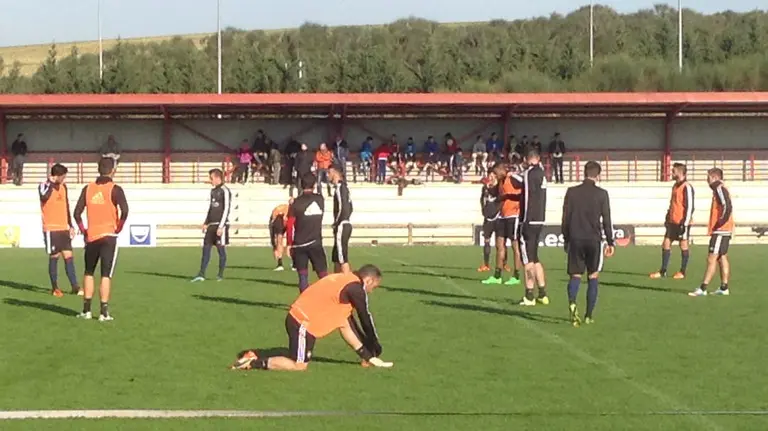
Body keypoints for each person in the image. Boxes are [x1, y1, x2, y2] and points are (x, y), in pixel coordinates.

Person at [231, 265, 392, 371]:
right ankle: (251, 363)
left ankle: (253, 353)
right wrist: (375, 343)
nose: (371, 291)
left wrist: (368, 355)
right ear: (368, 280)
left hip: (302, 318)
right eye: (373, 287)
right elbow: (365, 317)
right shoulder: (356, 289)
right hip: (302, 322)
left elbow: (348, 325)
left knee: (343, 322)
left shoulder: (346, 279)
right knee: (299, 365)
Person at [73, 157, 129, 322]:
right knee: (106, 274)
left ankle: (86, 310)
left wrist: (84, 231)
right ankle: (104, 312)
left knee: (88, 272)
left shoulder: (88, 188)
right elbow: (125, 211)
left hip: (92, 236)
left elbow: (77, 213)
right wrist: (118, 227)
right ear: (113, 170)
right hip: (109, 236)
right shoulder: (115, 189)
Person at [562, 161, 615, 327]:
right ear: (598, 176)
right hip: (594, 240)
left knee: (575, 275)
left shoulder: (571, 192)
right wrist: (610, 241)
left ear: (583, 173)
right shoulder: (602, 194)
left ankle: (572, 302)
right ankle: (588, 315)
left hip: (576, 238)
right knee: (593, 276)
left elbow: (565, 218)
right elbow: (606, 219)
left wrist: (566, 238)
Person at [689, 168, 733, 297]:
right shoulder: (719, 189)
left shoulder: (719, 188)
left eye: (708, 177)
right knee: (721, 257)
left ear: (714, 177)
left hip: (721, 230)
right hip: (724, 229)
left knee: (711, 258)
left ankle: (703, 288)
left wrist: (720, 222)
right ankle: (724, 287)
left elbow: (727, 206)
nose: (706, 180)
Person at [39, 163, 80, 297]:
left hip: (63, 228)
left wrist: (71, 225)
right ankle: (55, 288)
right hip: (51, 229)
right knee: (54, 257)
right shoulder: (43, 185)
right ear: (56, 175)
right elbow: (44, 197)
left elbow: (66, 206)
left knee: (69, 257)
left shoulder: (64, 187)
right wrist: (51, 184)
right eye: (63, 176)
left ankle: (75, 286)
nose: (64, 179)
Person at [650, 163, 694, 280]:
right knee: (666, 243)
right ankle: (663, 271)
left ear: (680, 172)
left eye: (673, 171)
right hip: (672, 221)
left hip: (682, 222)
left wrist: (684, 223)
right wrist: (668, 216)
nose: (672, 173)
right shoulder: (675, 186)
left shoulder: (687, 187)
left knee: (683, 244)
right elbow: (673, 203)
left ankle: (682, 272)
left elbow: (690, 207)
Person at [482, 162, 522, 285]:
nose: (494, 175)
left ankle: (516, 275)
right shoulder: (500, 183)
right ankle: (497, 275)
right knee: (499, 245)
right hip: (502, 216)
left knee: (515, 246)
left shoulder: (513, 178)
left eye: (495, 173)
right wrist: (488, 187)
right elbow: (496, 195)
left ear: (501, 171)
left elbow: (525, 184)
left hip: (513, 216)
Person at [518, 149, 548, 306]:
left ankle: (529, 295)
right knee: (535, 257)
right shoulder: (542, 173)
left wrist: (524, 219)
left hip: (529, 220)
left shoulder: (530, 173)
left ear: (527, 159)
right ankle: (542, 294)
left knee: (527, 260)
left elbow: (527, 194)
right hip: (540, 219)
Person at [290, 172, 328, 292]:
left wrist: (289, 244)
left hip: (299, 244)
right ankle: (327, 300)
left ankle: (304, 304)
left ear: (301, 185)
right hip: (315, 242)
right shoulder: (320, 200)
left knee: (303, 276)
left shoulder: (296, 202)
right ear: (315, 184)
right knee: (323, 275)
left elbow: (290, 224)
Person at [191, 169, 232, 282]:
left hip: (221, 226)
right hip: (211, 225)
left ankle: (220, 275)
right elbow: (211, 208)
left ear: (217, 178)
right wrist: (206, 222)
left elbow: (227, 208)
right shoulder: (213, 191)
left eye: (211, 178)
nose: (210, 180)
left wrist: (221, 226)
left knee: (221, 251)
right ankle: (201, 274)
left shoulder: (225, 191)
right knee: (206, 249)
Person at [329, 165, 353, 273]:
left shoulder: (340, 188)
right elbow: (351, 207)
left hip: (342, 225)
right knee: (336, 256)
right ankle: (337, 283)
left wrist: (337, 222)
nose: (328, 176)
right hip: (345, 223)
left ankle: (348, 283)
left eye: (329, 173)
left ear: (334, 173)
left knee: (342, 257)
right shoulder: (345, 188)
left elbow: (343, 207)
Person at [478, 172, 501, 272]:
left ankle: (503, 265)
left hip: (498, 218)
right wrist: (483, 210)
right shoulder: (485, 188)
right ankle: (486, 265)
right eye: (489, 176)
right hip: (487, 219)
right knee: (486, 241)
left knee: (500, 243)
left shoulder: (499, 188)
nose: (490, 178)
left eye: (492, 176)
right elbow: (482, 200)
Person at [269, 201, 292, 271]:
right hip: (278, 220)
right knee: (278, 240)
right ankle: (280, 262)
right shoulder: (280, 211)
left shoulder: (292, 211)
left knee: (282, 240)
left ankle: (293, 263)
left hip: (282, 220)